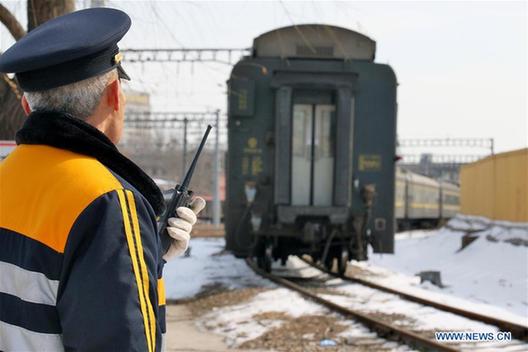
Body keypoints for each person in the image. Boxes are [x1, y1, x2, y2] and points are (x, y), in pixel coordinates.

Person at [0, 7, 205, 352]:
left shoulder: (8, 174)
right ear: (114, 96)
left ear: (25, 107)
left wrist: (149, 257)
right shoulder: (106, 200)